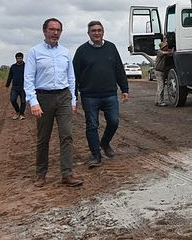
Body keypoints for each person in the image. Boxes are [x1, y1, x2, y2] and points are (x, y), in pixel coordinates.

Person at [24, 18, 82, 187]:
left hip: (63, 96)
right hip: (43, 98)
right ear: (44, 31)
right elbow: (28, 78)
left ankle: (67, 174)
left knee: (67, 135)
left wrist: (72, 99)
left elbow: (71, 77)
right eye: (52, 29)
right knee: (43, 137)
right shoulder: (34, 52)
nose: (55, 33)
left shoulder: (65, 52)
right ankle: (41, 174)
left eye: (58, 30)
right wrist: (33, 102)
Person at [73, 20, 129, 169]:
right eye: (93, 31)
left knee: (114, 121)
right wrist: (74, 96)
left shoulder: (111, 47)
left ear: (103, 32)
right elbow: (74, 75)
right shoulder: (81, 51)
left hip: (109, 94)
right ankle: (96, 155)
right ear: (88, 33)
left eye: (99, 30)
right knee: (92, 125)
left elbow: (119, 69)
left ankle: (104, 143)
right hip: (89, 96)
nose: (96, 33)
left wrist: (124, 89)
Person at [6, 52, 26, 120]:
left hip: (23, 86)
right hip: (15, 87)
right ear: (16, 59)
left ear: (22, 58)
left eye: (20, 58)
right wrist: (7, 85)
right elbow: (10, 76)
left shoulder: (26, 66)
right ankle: (17, 112)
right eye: (17, 58)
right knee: (13, 100)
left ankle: (22, 114)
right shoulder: (13, 67)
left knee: (23, 101)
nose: (19, 60)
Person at [154, 40, 170, 106]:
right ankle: (160, 101)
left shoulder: (163, 52)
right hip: (158, 71)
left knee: (159, 86)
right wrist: (171, 51)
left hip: (160, 71)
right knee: (161, 87)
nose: (167, 47)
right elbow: (164, 53)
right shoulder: (159, 52)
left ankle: (157, 101)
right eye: (166, 46)